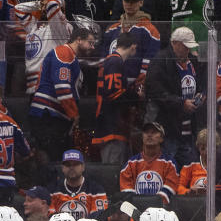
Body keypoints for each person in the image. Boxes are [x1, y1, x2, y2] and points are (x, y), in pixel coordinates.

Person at [29, 26, 96, 163]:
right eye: (90, 42)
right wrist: (74, 113)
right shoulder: (64, 53)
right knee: (52, 159)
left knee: (55, 158)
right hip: (48, 115)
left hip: (52, 115)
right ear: (78, 40)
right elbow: (62, 87)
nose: (92, 47)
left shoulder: (70, 56)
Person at [145, 26, 204, 168]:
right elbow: (155, 92)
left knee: (190, 169)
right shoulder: (160, 61)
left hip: (189, 130)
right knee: (167, 168)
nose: (188, 50)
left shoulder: (192, 61)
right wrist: (180, 103)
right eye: (185, 46)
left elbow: (201, 81)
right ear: (174, 43)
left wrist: (201, 95)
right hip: (168, 129)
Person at [94, 32, 139, 164]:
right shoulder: (114, 62)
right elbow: (115, 94)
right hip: (111, 126)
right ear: (132, 46)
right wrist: (136, 96)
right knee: (112, 169)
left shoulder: (112, 61)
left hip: (113, 125)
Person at [119, 122, 180, 205]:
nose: (149, 135)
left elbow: (169, 190)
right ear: (142, 137)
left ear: (161, 138)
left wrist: (153, 205)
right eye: (146, 132)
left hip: (160, 212)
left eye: (154, 132)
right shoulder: (130, 164)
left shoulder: (170, 163)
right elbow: (127, 192)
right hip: (136, 212)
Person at [177, 130, 219, 196]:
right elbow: (179, 187)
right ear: (198, 147)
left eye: (210, 148)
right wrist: (189, 192)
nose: (206, 152)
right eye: (203, 148)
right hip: (194, 203)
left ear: (216, 147)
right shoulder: (191, 163)